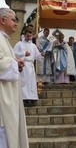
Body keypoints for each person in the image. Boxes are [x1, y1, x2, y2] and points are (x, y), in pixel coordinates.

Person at [0, 8, 29, 148]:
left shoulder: (5, 40)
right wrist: (14, 63)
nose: (16, 24)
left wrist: (16, 64)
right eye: (13, 20)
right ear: (2, 20)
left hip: (9, 95)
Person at [13, 29, 43, 107]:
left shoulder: (33, 45)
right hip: (24, 64)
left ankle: (32, 98)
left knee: (31, 82)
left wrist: (41, 55)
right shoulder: (19, 44)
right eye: (27, 36)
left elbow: (37, 55)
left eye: (30, 36)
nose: (29, 38)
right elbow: (14, 54)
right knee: (24, 81)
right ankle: (25, 98)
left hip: (31, 65)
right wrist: (23, 53)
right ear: (24, 35)